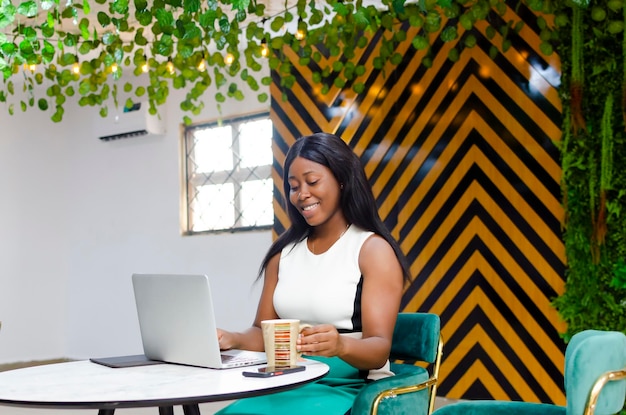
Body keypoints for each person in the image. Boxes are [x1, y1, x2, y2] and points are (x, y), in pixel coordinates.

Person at [216, 132, 412, 415]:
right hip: (287, 381)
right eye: (294, 186)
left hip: (347, 386)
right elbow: (263, 332)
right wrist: (231, 338)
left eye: (312, 181)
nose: (302, 194)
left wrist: (340, 344)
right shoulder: (283, 254)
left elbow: (379, 348)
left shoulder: (371, 250)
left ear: (341, 180)